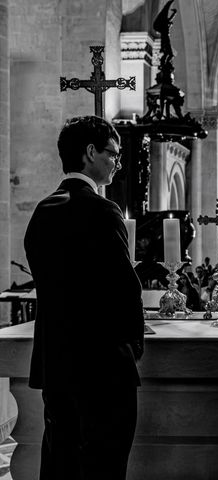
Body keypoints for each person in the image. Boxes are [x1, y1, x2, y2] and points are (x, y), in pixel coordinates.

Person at [24, 116, 145, 480]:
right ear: (90, 152)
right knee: (105, 464)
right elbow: (126, 288)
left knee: (60, 462)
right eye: (113, 153)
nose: (117, 163)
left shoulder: (42, 211)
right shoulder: (102, 210)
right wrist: (133, 347)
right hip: (103, 365)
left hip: (56, 364)